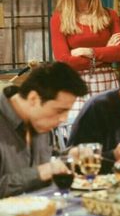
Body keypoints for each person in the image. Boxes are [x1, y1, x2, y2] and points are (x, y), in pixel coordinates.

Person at [50, 0, 120, 119]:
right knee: (81, 139)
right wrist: (105, 52)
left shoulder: (110, 15)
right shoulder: (59, 19)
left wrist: (90, 52)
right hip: (75, 86)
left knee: (112, 138)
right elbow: (64, 62)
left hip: (107, 83)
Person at [0, 61, 87, 198]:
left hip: (41, 212)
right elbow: (44, 170)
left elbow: (49, 162)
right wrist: (40, 172)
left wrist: (68, 157)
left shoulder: (40, 121)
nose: (63, 119)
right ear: (33, 99)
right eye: (59, 111)